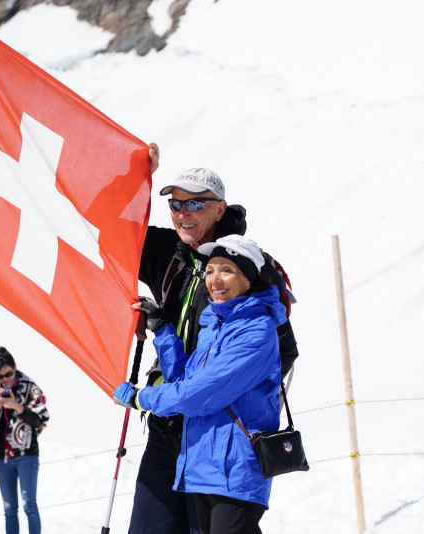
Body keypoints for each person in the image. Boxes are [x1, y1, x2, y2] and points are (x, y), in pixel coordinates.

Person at [127, 146, 299, 534]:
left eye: (196, 203)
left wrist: (224, 402)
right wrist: (137, 178)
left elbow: (282, 349)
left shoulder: (254, 266)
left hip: (217, 431)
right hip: (169, 423)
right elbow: (110, 227)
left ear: (220, 208)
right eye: (175, 204)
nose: (183, 213)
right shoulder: (163, 252)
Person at [115, 234, 286, 534]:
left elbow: (202, 393)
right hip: (202, 468)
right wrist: (164, 330)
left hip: (234, 473)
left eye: (227, 270)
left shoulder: (256, 331)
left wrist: (143, 399)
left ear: (249, 278)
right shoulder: (214, 325)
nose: (214, 280)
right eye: (210, 271)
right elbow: (184, 380)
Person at [0, 346, 49, 534]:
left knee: (29, 505)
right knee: (9, 509)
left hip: (26, 455)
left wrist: (17, 406)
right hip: (2, 457)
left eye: (8, 374)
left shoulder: (30, 387)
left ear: (14, 367)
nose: (4, 379)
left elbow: (41, 419)